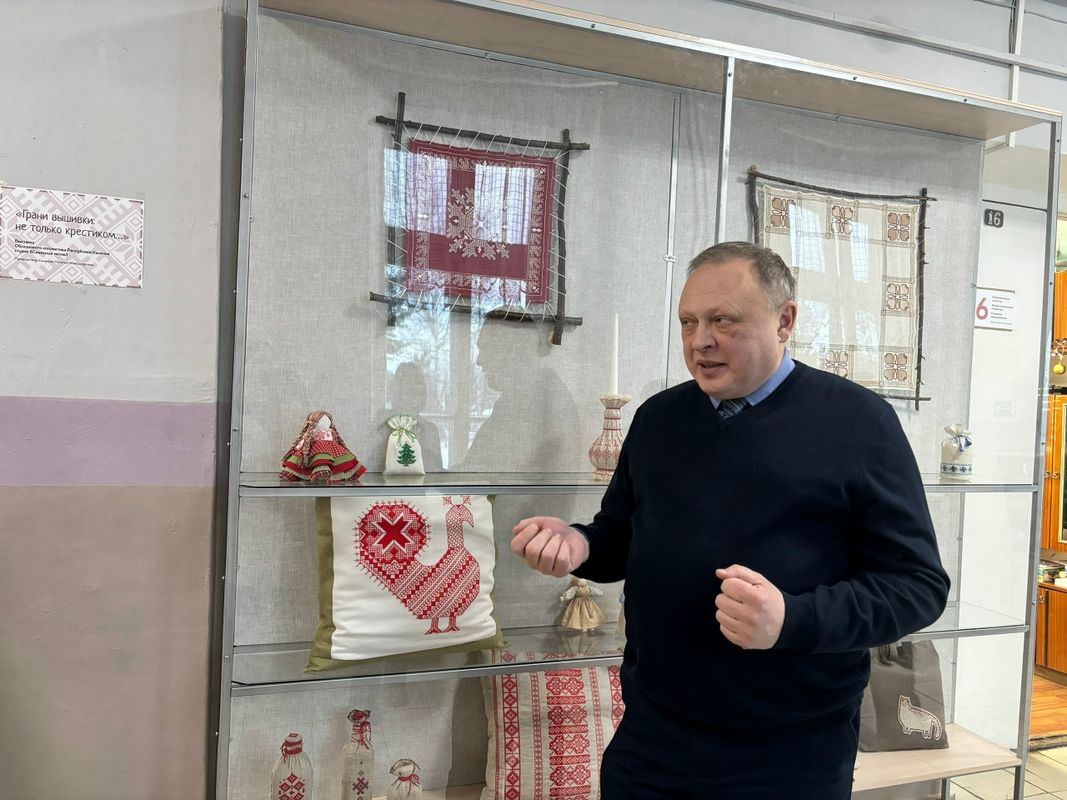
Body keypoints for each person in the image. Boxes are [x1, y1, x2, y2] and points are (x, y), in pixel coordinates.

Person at [510, 241, 950, 799]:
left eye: (723, 320)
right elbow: (620, 536)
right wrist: (579, 544)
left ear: (784, 321)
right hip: (652, 736)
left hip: (789, 753)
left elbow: (917, 586)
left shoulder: (860, 423)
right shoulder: (658, 419)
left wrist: (793, 619)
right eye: (688, 321)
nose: (700, 341)